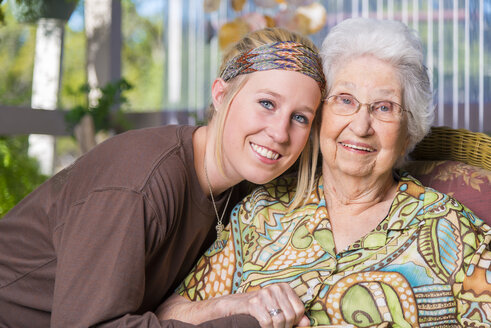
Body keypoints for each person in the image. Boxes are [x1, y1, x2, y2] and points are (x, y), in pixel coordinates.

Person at [159, 18, 491, 328]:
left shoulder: (454, 231)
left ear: (409, 132)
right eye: (345, 100)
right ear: (319, 118)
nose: (361, 126)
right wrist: (235, 304)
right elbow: (169, 314)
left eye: (384, 107)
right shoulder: (262, 212)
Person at [0, 27, 326, 327]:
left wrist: (218, 307)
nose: (280, 133)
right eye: (267, 103)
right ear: (220, 95)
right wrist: (248, 320)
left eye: (300, 117)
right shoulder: (138, 184)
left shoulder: (247, 186)